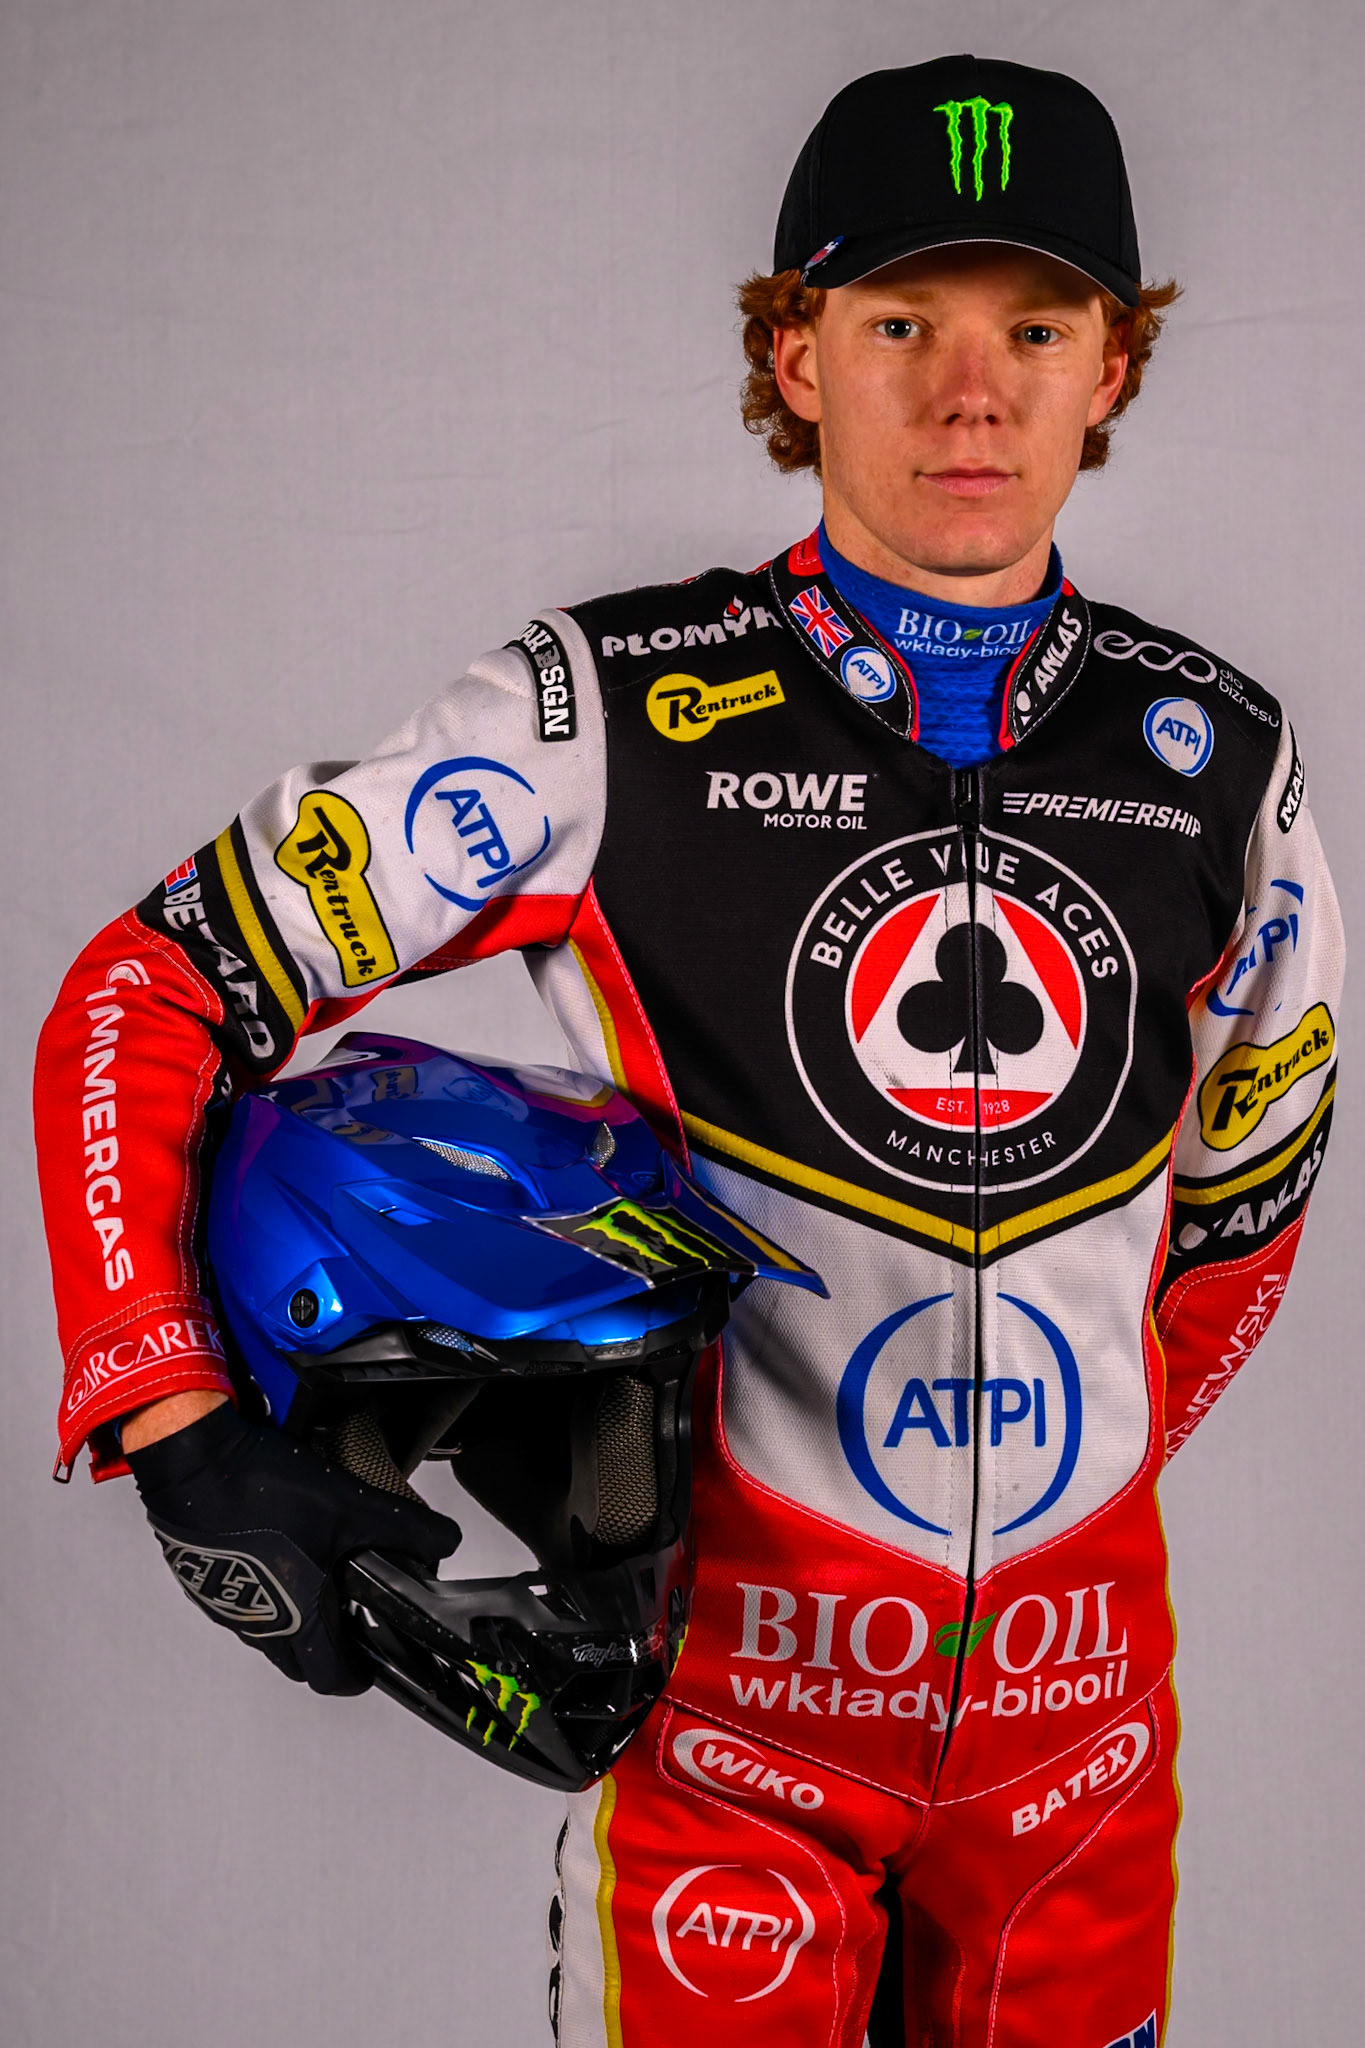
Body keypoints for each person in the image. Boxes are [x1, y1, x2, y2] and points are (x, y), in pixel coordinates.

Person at [33, 52, 1342, 2048]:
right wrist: (169, 1408)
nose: (966, 388)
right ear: (793, 351)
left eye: (1033, 324)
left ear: (1112, 366)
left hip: (1079, 1767)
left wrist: (1014, 1538)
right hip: (724, 1743)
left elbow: (1243, 1208)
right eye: (898, 320)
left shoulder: (1227, 759)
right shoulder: (607, 713)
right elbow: (148, 985)